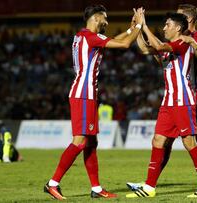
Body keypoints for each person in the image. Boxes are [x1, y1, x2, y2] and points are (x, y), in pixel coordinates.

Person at [43, 5, 144, 200]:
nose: (107, 22)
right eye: (105, 19)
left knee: (91, 142)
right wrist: (139, 26)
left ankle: (96, 188)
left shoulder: (83, 36)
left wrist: (131, 29)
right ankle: (52, 183)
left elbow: (116, 40)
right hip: (83, 94)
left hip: (86, 93)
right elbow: (123, 45)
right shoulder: (90, 37)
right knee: (80, 141)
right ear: (96, 18)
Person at [127, 4, 197, 196]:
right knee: (161, 141)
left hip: (190, 96)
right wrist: (139, 28)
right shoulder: (177, 41)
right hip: (171, 98)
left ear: (186, 21)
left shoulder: (192, 39)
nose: (167, 25)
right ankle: (150, 184)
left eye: (175, 19)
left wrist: (190, 43)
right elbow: (155, 52)